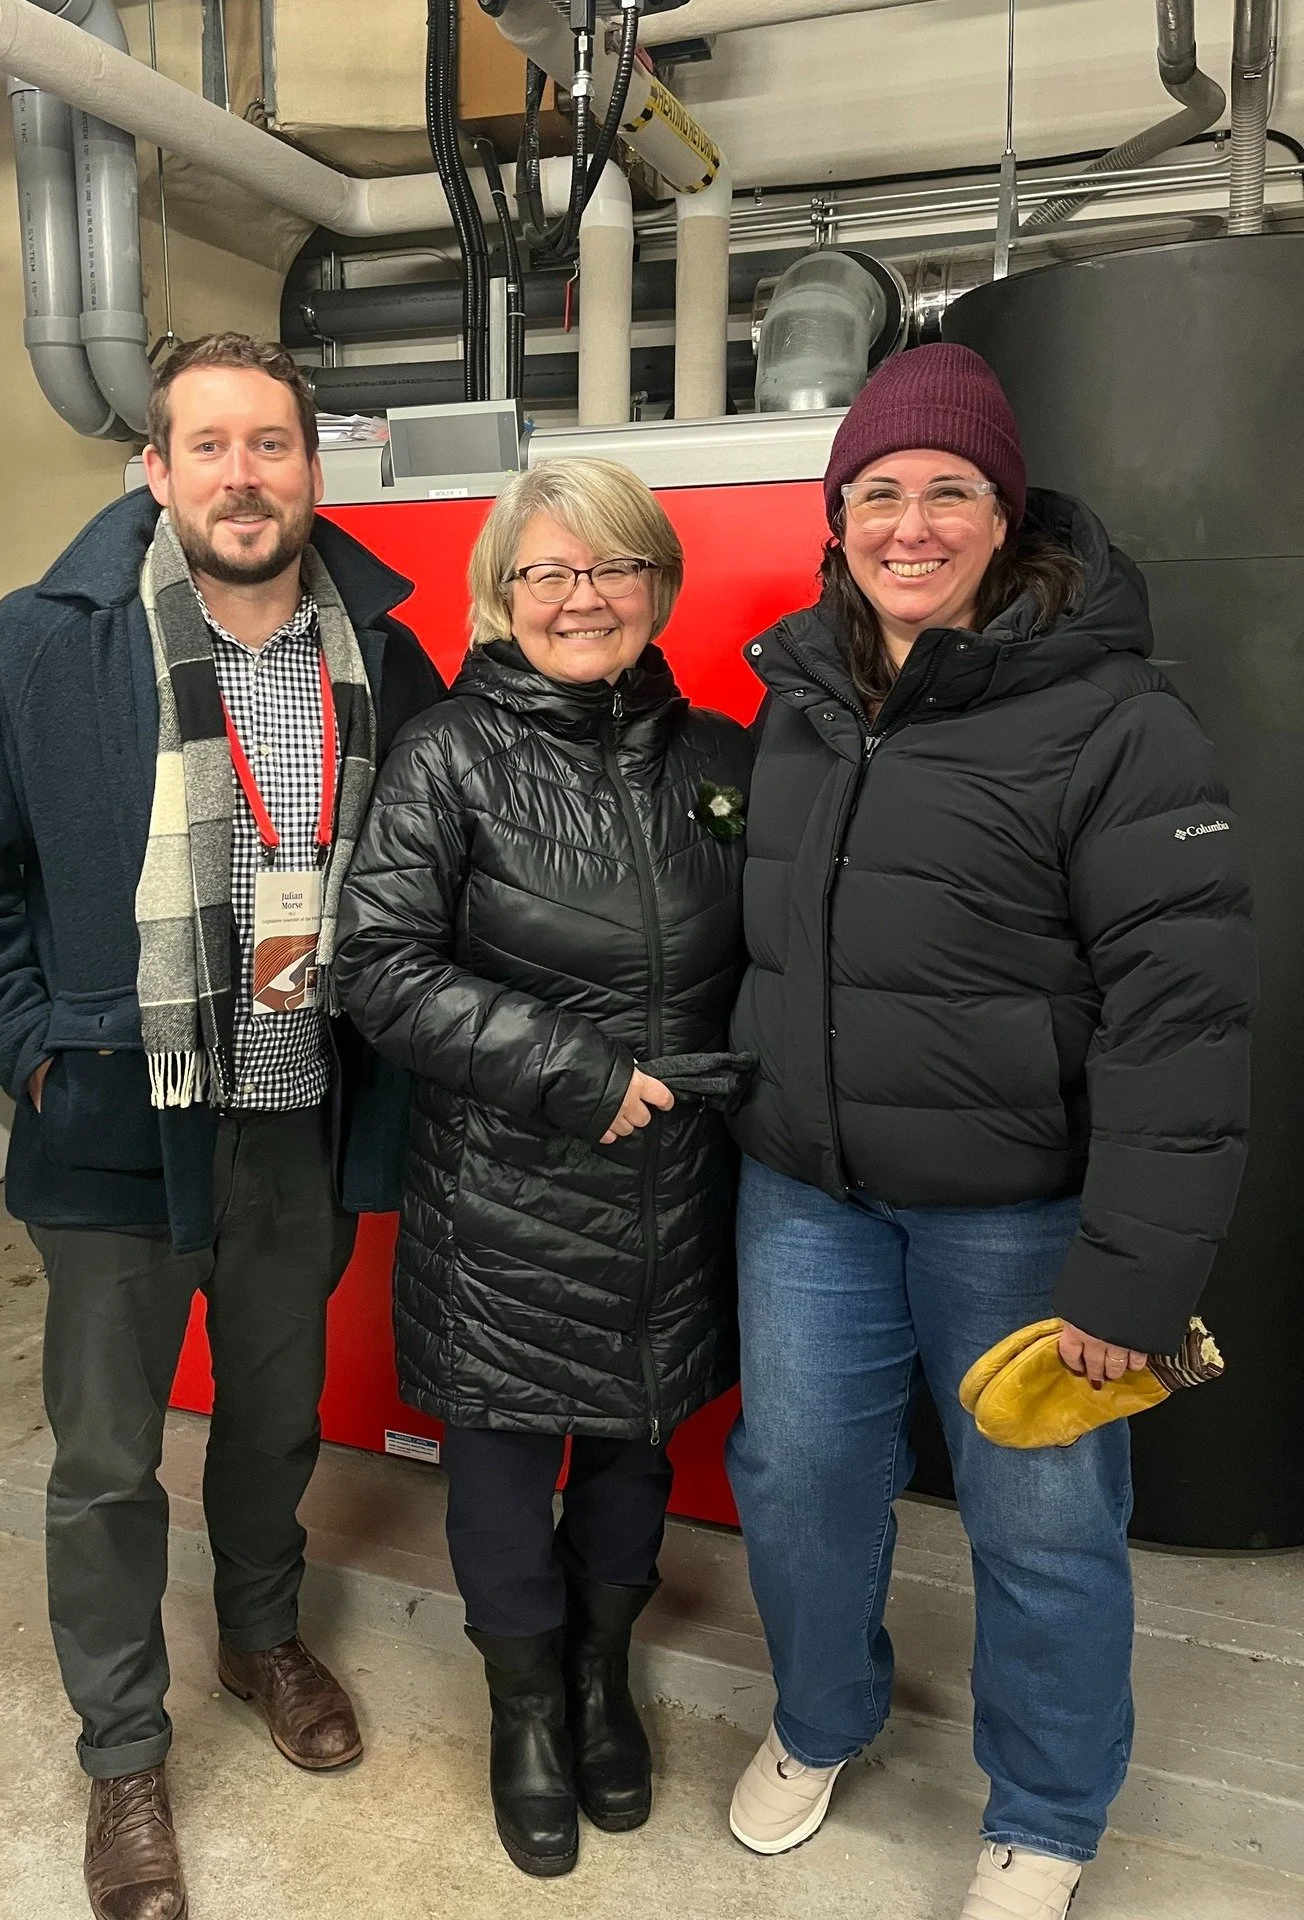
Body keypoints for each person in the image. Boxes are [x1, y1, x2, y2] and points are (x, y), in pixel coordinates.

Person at [0, 335, 443, 1920]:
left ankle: (261, 1636)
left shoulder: (386, 655)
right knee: (109, 1462)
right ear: (156, 471)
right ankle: (124, 1751)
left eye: (271, 445)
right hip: (112, 1121)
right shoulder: (46, 643)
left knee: (274, 1425)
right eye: (209, 447)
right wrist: (29, 1050)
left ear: (310, 469)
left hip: (296, 1112)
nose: (244, 476)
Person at [723, 344, 1255, 1920]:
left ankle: (1048, 1808)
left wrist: (1131, 1279)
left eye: (948, 490)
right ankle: (822, 1718)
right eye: (876, 492)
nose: (909, 523)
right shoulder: (805, 699)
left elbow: (1185, 1016)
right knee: (801, 1475)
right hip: (808, 1193)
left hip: (1018, 1211)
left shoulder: (1115, 721)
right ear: (837, 520)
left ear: (1007, 514)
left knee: (1042, 1521)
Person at [334, 458, 752, 1878]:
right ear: (500, 599)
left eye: (613, 567)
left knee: (634, 1450)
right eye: (547, 573)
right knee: (506, 1461)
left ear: (659, 585)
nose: (584, 598)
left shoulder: (726, 766)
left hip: (674, 1190)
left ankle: (598, 1678)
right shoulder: (449, 755)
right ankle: (524, 1708)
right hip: (504, 1188)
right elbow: (377, 968)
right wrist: (578, 1075)